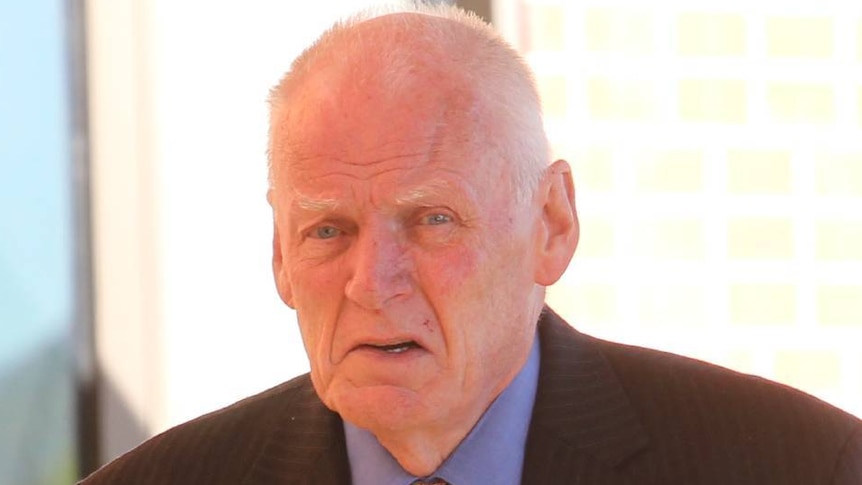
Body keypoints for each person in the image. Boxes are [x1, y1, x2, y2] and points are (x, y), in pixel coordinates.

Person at [80, 4, 861, 485]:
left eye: (431, 219)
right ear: (280, 257)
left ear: (552, 226)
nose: (371, 283)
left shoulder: (798, 466)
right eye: (329, 230)